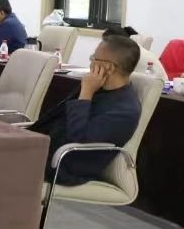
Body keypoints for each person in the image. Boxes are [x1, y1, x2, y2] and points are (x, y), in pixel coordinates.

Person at [30, 35, 142, 185]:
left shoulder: (125, 111)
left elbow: (78, 137)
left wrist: (86, 93)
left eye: (93, 58)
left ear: (109, 67)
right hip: (41, 150)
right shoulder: (98, 88)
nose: (90, 63)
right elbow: (54, 117)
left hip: (62, 166)